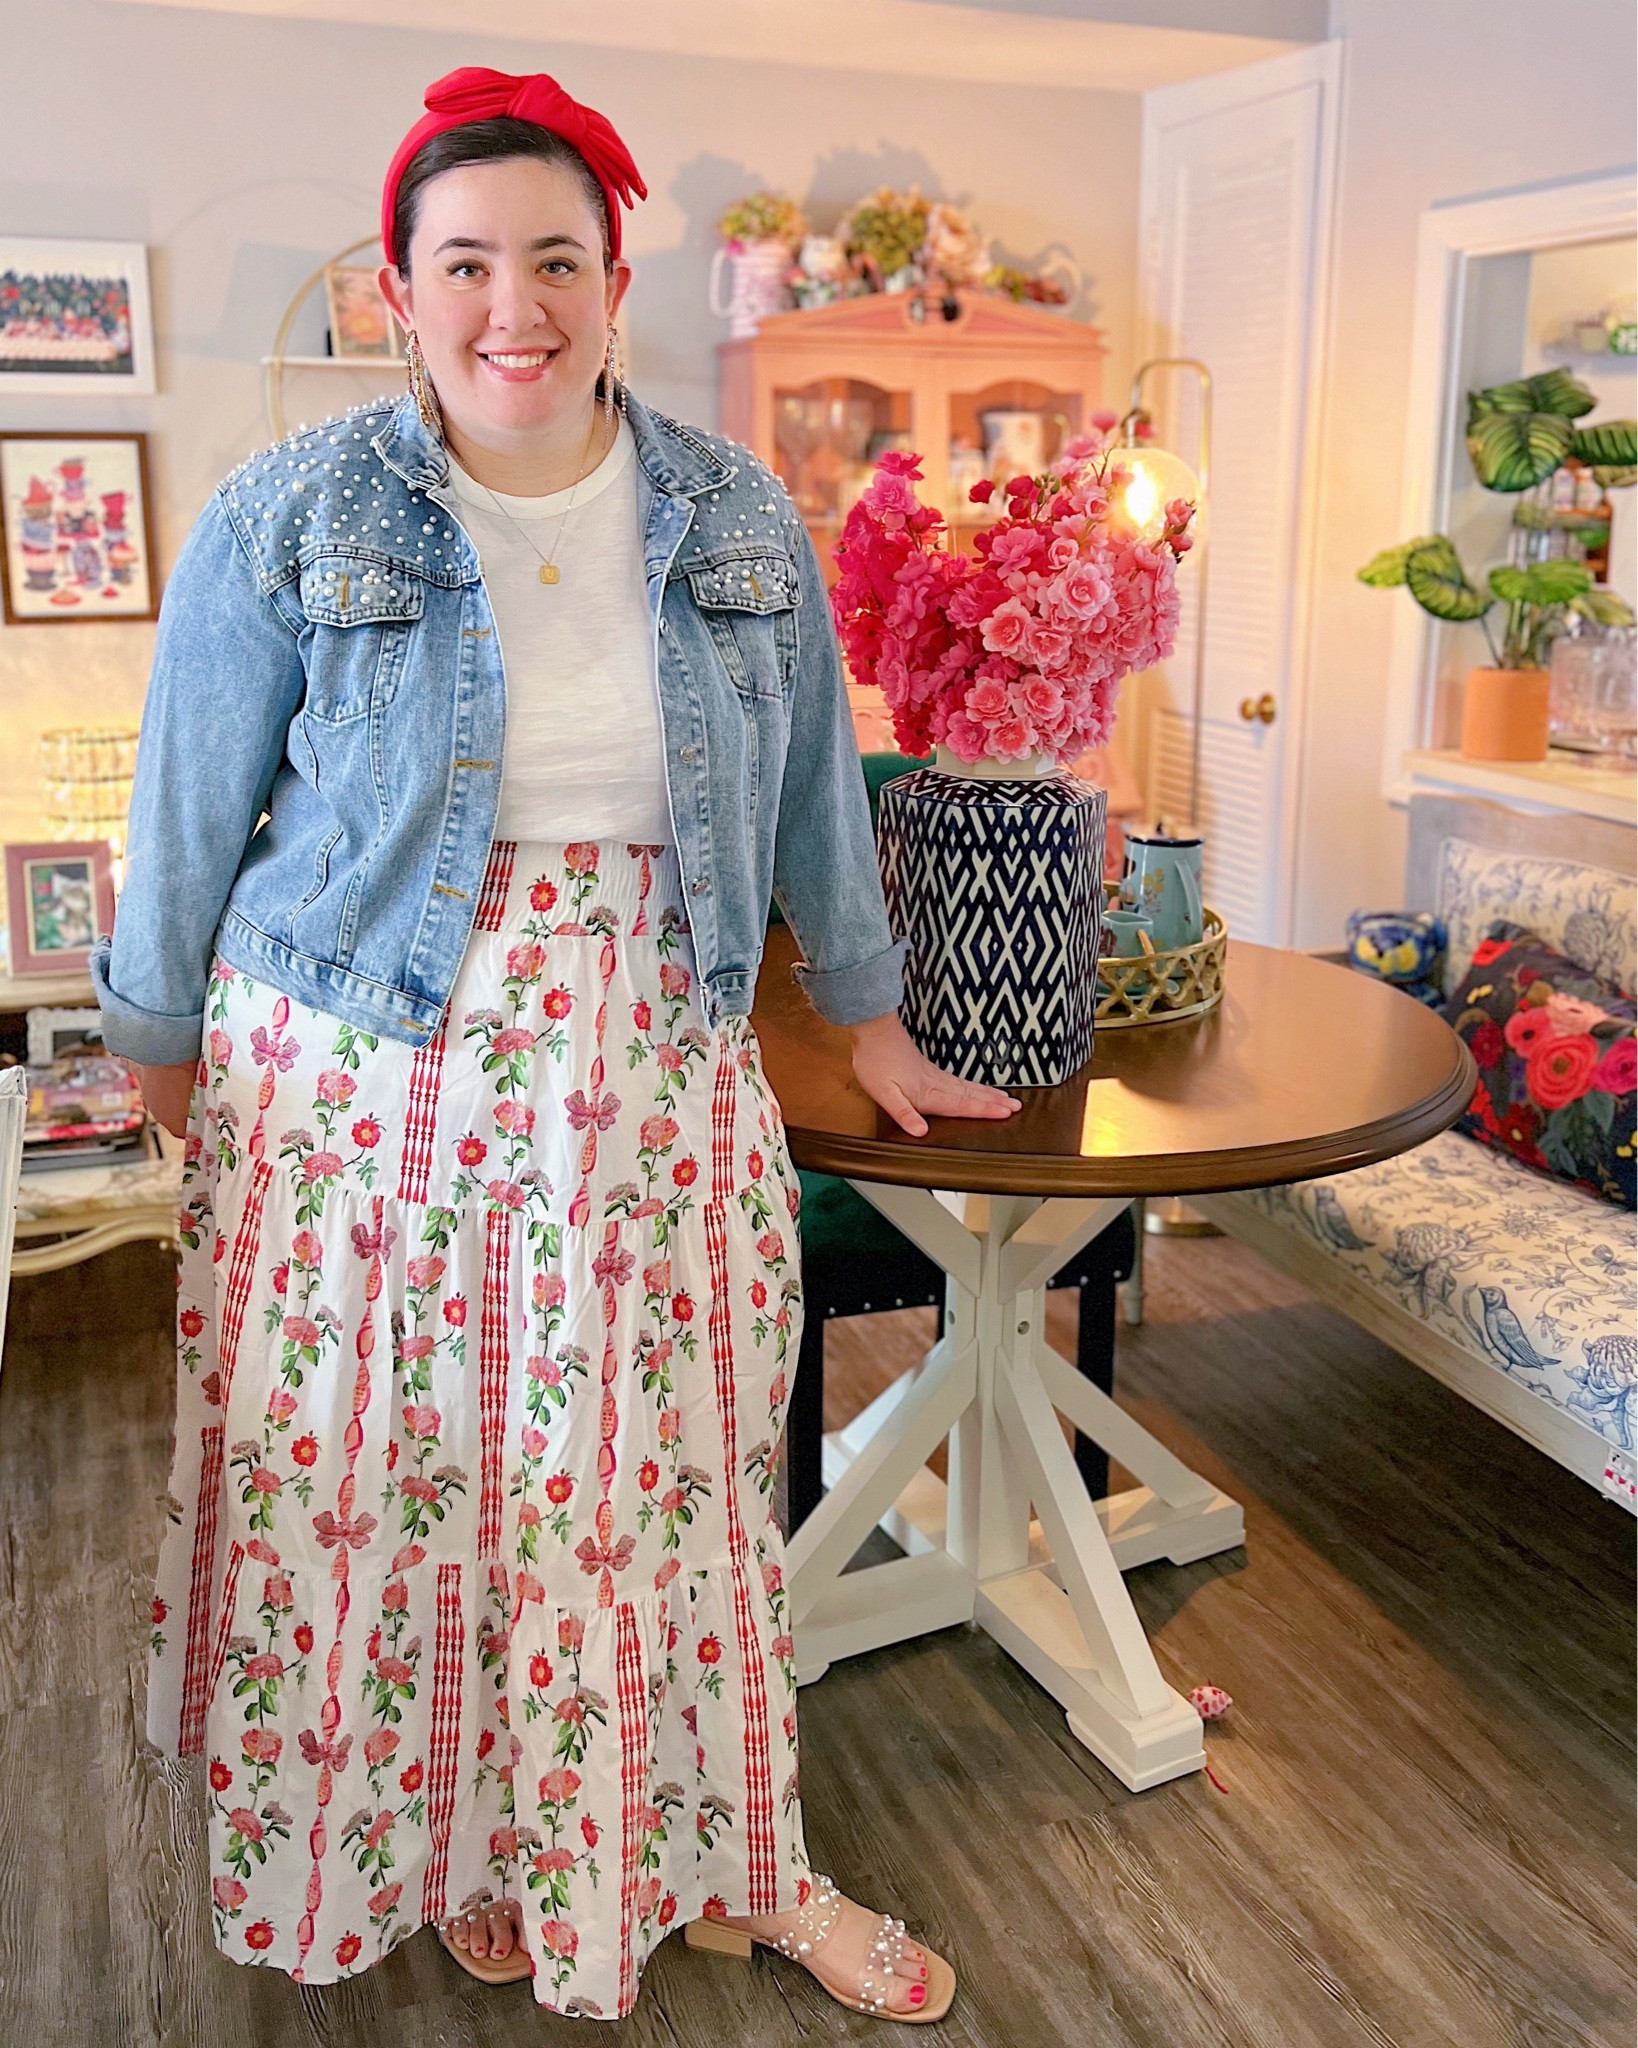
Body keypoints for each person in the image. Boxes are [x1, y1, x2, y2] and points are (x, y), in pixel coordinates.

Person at [94, 66, 1021, 2024]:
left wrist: (871, 1015)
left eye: (555, 259)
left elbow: (808, 805)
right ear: (397, 290)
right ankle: (461, 1843)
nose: (512, 304)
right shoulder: (295, 510)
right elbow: (187, 800)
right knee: (401, 1485)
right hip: (358, 1082)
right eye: (465, 264)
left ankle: (716, 1854)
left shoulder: (730, 512)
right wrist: (160, 1040)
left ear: (613, 280)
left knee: (651, 1485)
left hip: (653, 1075)